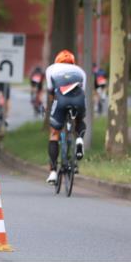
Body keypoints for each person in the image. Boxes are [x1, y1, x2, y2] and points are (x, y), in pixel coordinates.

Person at [44, 50, 87, 185]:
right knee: (80, 119)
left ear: (57, 60)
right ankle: (79, 139)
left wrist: (50, 109)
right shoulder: (80, 71)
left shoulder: (51, 69)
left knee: (54, 133)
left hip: (61, 100)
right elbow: (82, 89)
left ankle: (52, 172)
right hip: (79, 99)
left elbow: (51, 91)